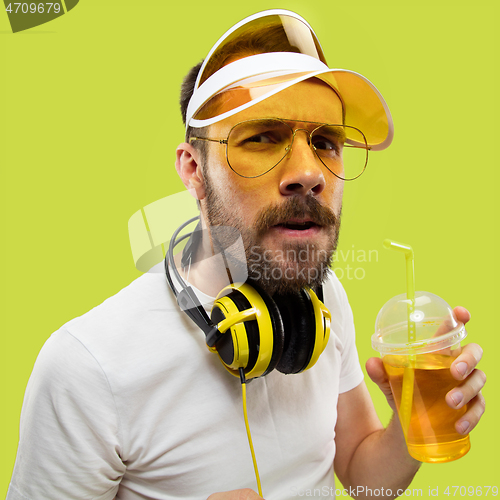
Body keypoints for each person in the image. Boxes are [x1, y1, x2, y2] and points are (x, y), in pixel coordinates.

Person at [7, 10, 485, 500]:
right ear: (194, 170)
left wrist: (412, 431)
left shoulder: (321, 301)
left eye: (326, 142)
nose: (309, 172)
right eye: (262, 137)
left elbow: (363, 479)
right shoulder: (88, 367)